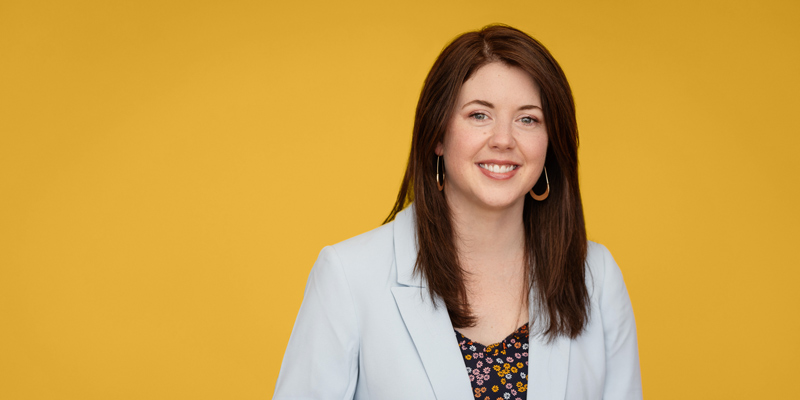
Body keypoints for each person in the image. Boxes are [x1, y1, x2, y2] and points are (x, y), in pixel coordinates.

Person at [273, 24, 642, 400]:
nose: (503, 139)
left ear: (551, 143)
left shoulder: (597, 276)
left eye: (528, 119)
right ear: (437, 134)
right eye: (479, 115)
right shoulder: (349, 277)